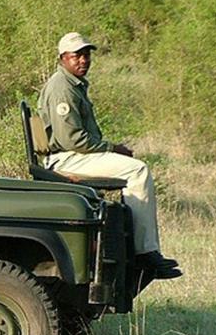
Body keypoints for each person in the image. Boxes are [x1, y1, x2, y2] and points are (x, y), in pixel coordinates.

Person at [38, 32, 180, 279]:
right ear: (63, 58)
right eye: (76, 56)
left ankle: (133, 245)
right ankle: (144, 252)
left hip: (71, 154)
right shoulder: (63, 88)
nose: (83, 60)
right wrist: (112, 148)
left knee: (134, 167)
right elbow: (72, 140)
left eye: (86, 54)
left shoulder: (72, 84)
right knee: (138, 170)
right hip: (67, 157)